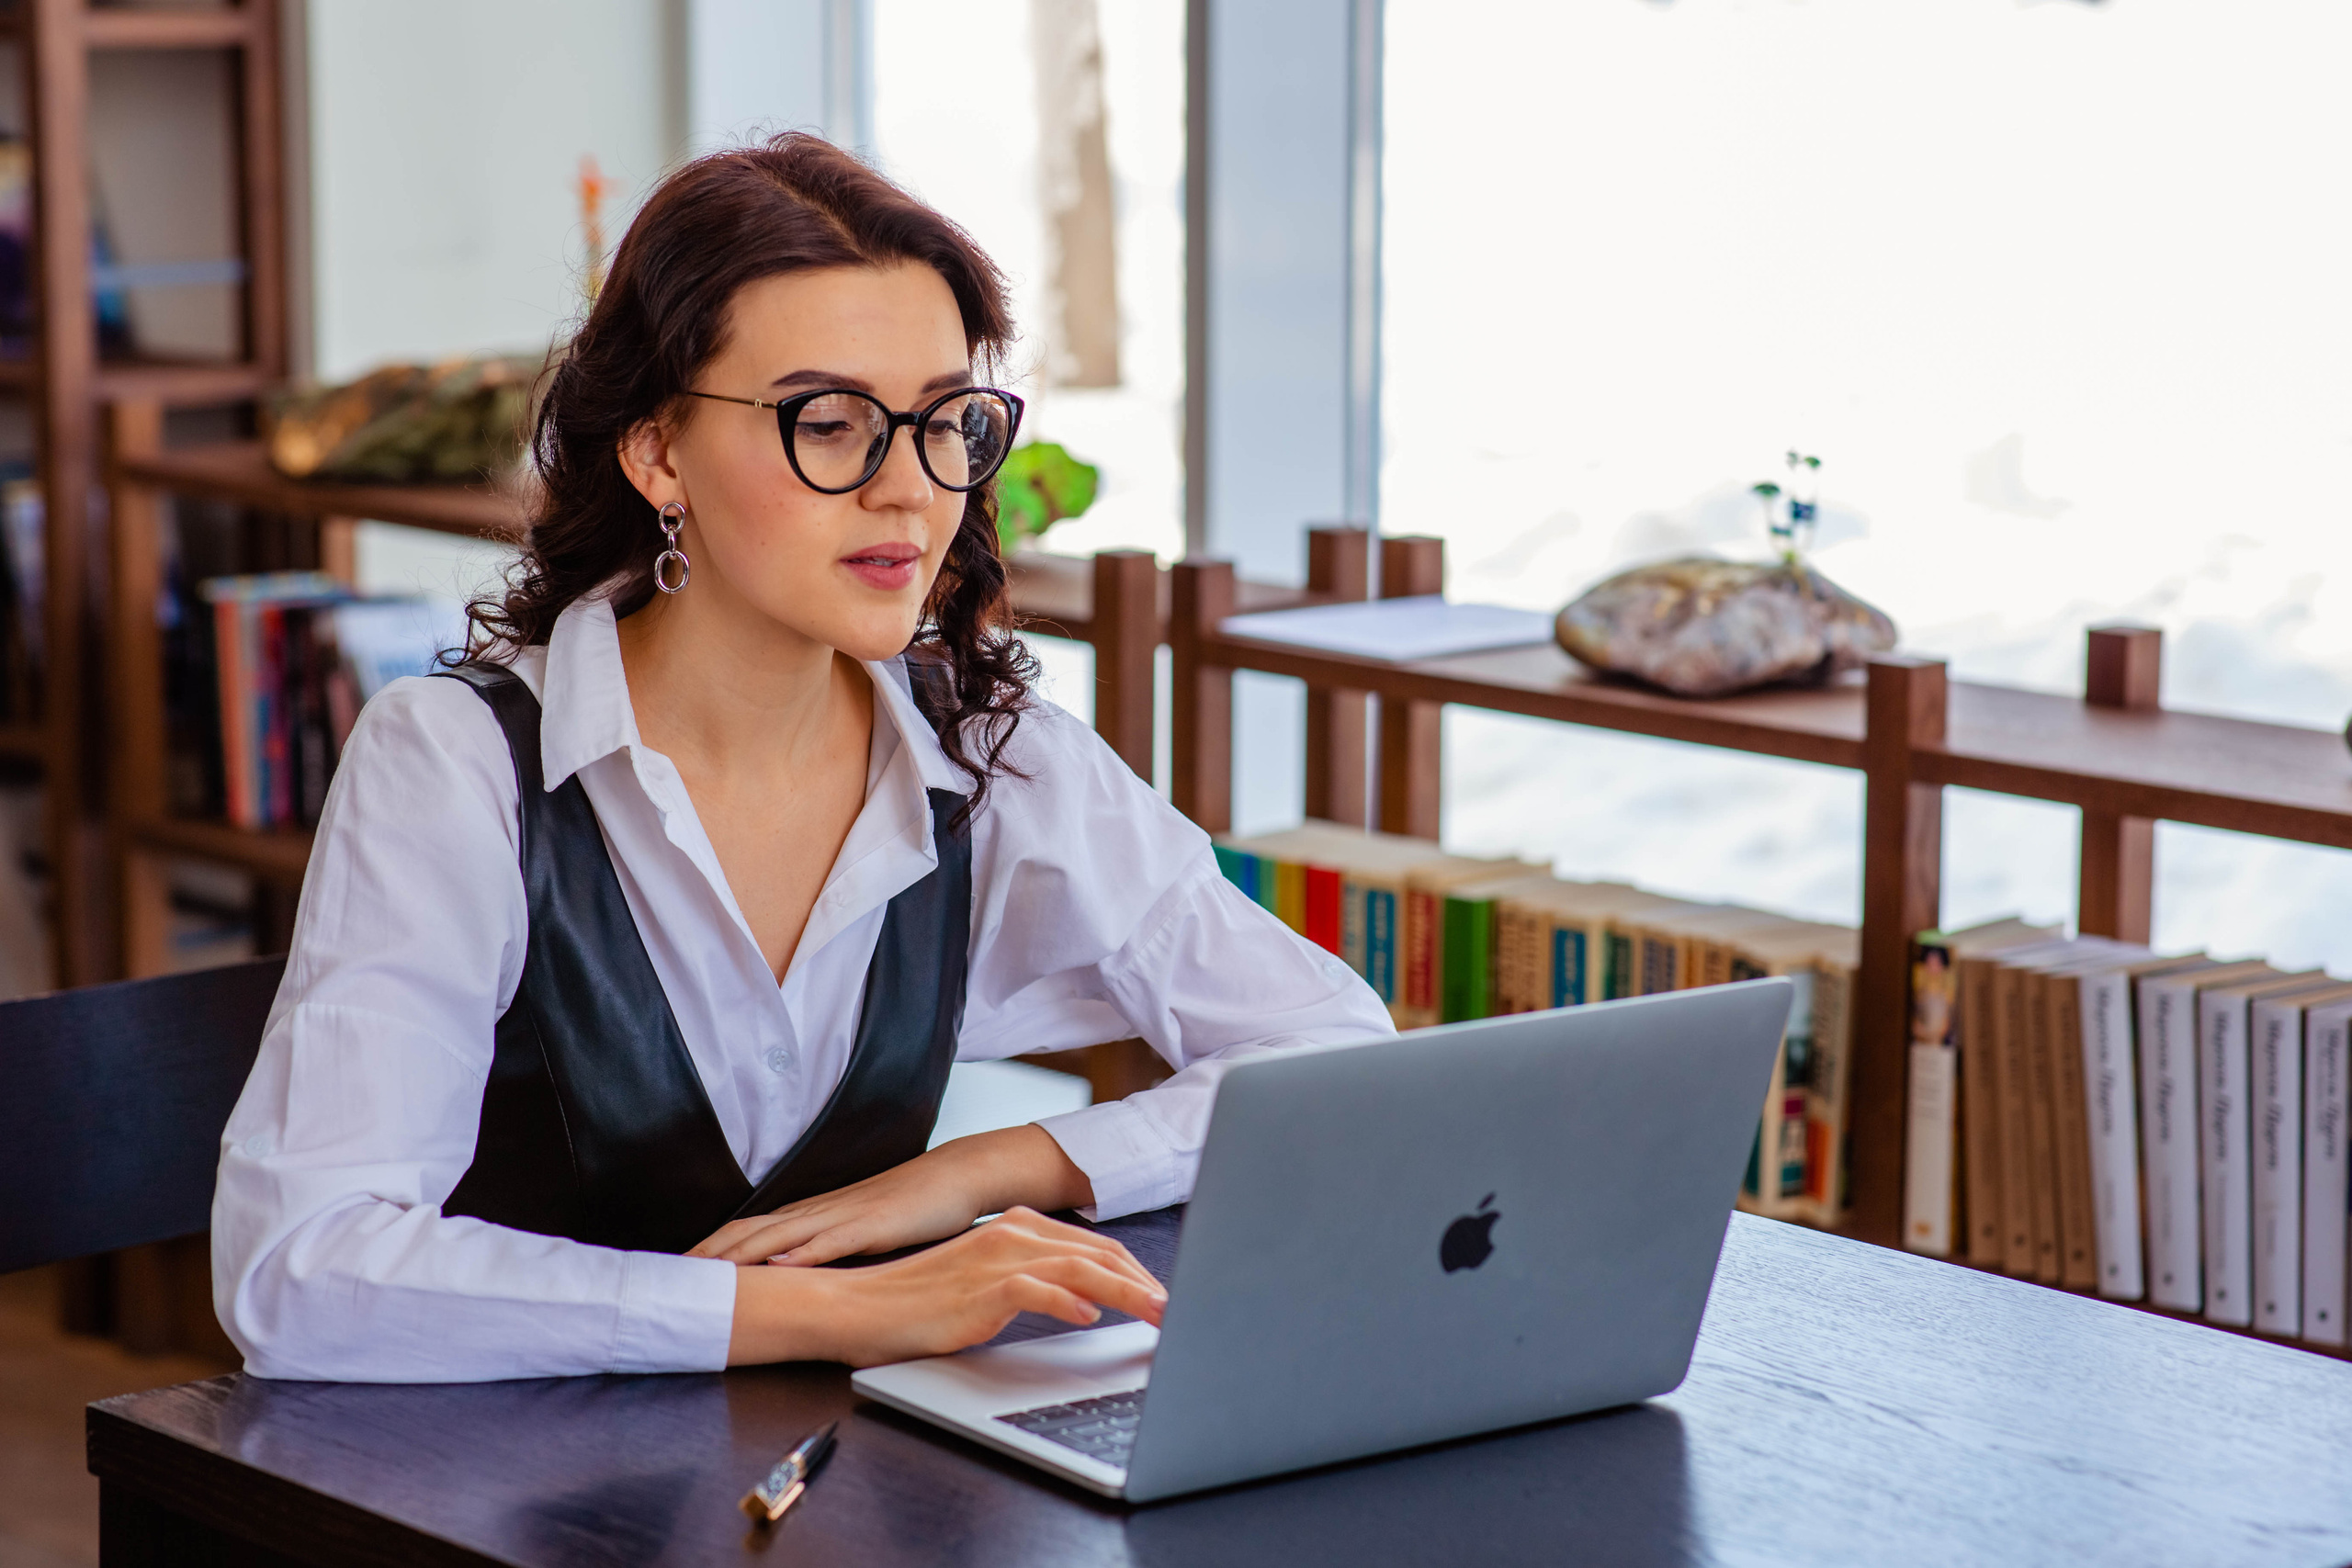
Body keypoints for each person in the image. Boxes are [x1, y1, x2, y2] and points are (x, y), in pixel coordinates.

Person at [209, 135, 1393, 1382]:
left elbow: (1332, 1051)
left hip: (840, 1463)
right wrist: (848, 1313)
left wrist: (991, 1170)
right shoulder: (457, 764)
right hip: (500, 1475)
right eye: (829, 423)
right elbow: (300, 1273)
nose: (909, 490)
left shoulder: (989, 753)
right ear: (658, 452)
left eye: (946, 421)